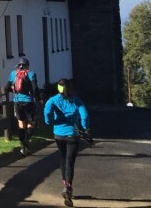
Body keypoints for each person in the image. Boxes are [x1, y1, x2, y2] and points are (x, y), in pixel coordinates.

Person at [44, 78, 90, 207]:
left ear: (58, 88)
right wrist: (85, 128)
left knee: (63, 158)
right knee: (70, 161)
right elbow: (85, 116)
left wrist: (50, 122)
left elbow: (47, 112)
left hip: (59, 135)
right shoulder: (76, 101)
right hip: (73, 135)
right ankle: (68, 187)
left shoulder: (53, 100)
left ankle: (65, 184)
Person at [7, 58, 40, 154]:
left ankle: (22, 147)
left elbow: (6, 87)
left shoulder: (13, 74)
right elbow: (35, 88)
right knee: (31, 123)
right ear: (28, 66)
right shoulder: (31, 73)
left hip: (17, 102)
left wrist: (15, 91)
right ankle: (26, 141)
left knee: (21, 124)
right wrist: (37, 99)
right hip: (29, 102)